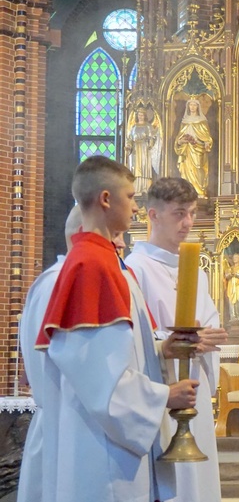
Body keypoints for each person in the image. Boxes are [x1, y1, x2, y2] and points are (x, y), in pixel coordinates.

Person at [35, 155, 199, 502]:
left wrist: (160, 350)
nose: (137, 207)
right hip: (103, 449)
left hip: (109, 439)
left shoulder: (103, 260)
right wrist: (164, 396)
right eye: (131, 196)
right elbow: (99, 381)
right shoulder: (92, 265)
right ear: (106, 199)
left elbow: (105, 355)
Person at [125, 177, 228, 502]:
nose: (188, 223)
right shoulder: (134, 269)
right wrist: (178, 342)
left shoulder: (195, 270)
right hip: (161, 391)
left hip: (192, 389)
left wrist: (209, 337)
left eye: (193, 213)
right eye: (179, 213)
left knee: (197, 482)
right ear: (152, 215)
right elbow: (133, 339)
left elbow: (206, 319)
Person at [18, 209, 128, 502]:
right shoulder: (70, 280)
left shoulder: (47, 280)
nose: (122, 245)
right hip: (75, 426)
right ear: (85, 230)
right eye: (116, 235)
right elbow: (87, 367)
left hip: (58, 422)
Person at [175, 98, 213, 197]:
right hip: (186, 150)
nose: (192, 107)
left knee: (198, 168)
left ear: (198, 107)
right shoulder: (184, 121)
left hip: (198, 150)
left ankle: (199, 190)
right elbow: (178, 139)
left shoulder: (202, 121)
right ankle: (187, 191)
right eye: (190, 105)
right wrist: (181, 141)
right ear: (188, 107)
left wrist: (206, 143)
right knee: (186, 170)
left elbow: (207, 137)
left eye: (194, 105)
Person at [125, 107, 158, 195]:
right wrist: (128, 146)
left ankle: (145, 187)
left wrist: (150, 144)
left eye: (142, 115)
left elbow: (152, 137)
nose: (140, 116)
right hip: (135, 149)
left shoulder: (148, 126)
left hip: (144, 148)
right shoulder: (134, 127)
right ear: (137, 116)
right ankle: (136, 187)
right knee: (135, 168)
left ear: (145, 116)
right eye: (139, 115)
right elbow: (129, 139)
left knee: (144, 167)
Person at [224, 253, 239, 322]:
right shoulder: (230, 268)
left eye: (236, 257)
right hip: (231, 287)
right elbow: (226, 277)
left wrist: (236, 275)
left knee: (238, 300)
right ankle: (232, 316)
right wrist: (229, 275)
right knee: (231, 301)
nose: (235, 259)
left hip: (238, 287)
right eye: (234, 257)